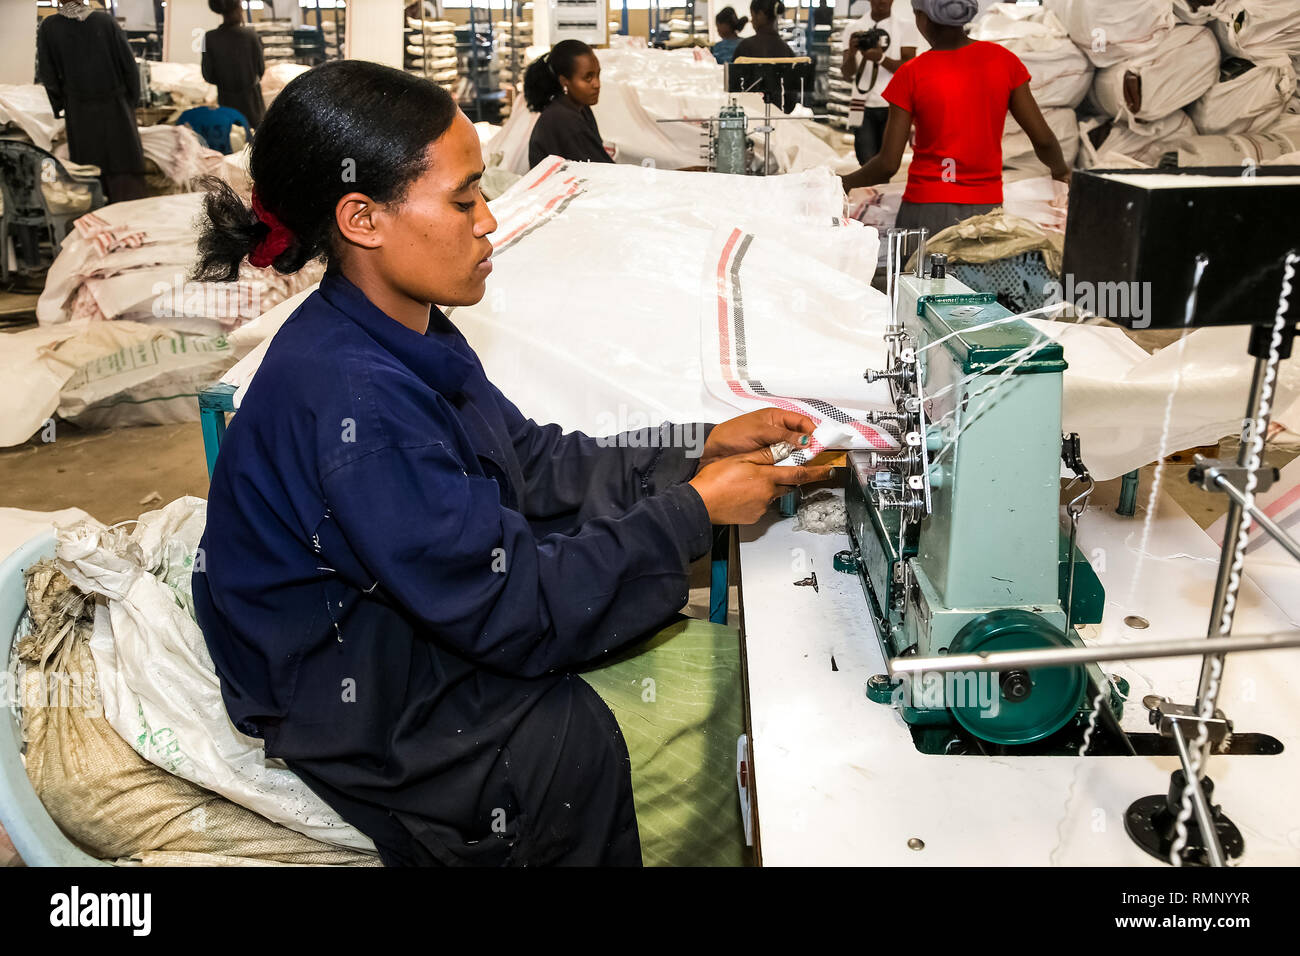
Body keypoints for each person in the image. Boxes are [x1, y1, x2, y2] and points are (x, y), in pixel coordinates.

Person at [190, 60, 831, 867]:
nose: (489, 220)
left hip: (410, 624)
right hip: (368, 698)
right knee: (583, 757)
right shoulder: (359, 404)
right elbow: (512, 608)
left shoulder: (405, 332)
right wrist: (693, 511)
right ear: (362, 217)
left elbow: (533, 462)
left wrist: (697, 448)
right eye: (462, 199)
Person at [841, 0, 1071, 238]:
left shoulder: (911, 73)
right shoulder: (1004, 61)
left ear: (923, 18)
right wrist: (1060, 171)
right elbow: (1043, 139)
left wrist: (845, 182)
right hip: (984, 212)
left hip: (924, 210)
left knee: (918, 274)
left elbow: (887, 164)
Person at [36, 0, 147, 204]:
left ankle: (96, 223)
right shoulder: (105, 22)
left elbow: (48, 74)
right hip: (117, 107)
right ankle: (126, 225)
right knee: (124, 169)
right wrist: (130, 101)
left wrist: (60, 105)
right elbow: (130, 67)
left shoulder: (50, 27)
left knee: (88, 172)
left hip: (79, 111)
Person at [840, 0, 925, 164]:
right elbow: (846, 74)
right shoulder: (853, 29)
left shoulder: (905, 27)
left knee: (888, 164)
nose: (881, 1)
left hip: (894, 106)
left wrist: (881, 58)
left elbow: (908, 69)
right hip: (862, 105)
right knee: (866, 162)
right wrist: (851, 54)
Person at [525, 40, 614, 169]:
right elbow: (602, 169)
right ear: (564, 81)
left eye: (597, 75)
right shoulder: (562, 118)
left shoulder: (580, 108)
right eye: (588, 77)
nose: (597, 84)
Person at [201, 0, 266, 129]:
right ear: (239, 8)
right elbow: (261, 69)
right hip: (252, 104)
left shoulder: (208, 38)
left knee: (233, 138)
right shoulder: (251, 35)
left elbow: (207, 75)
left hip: (226, 102)